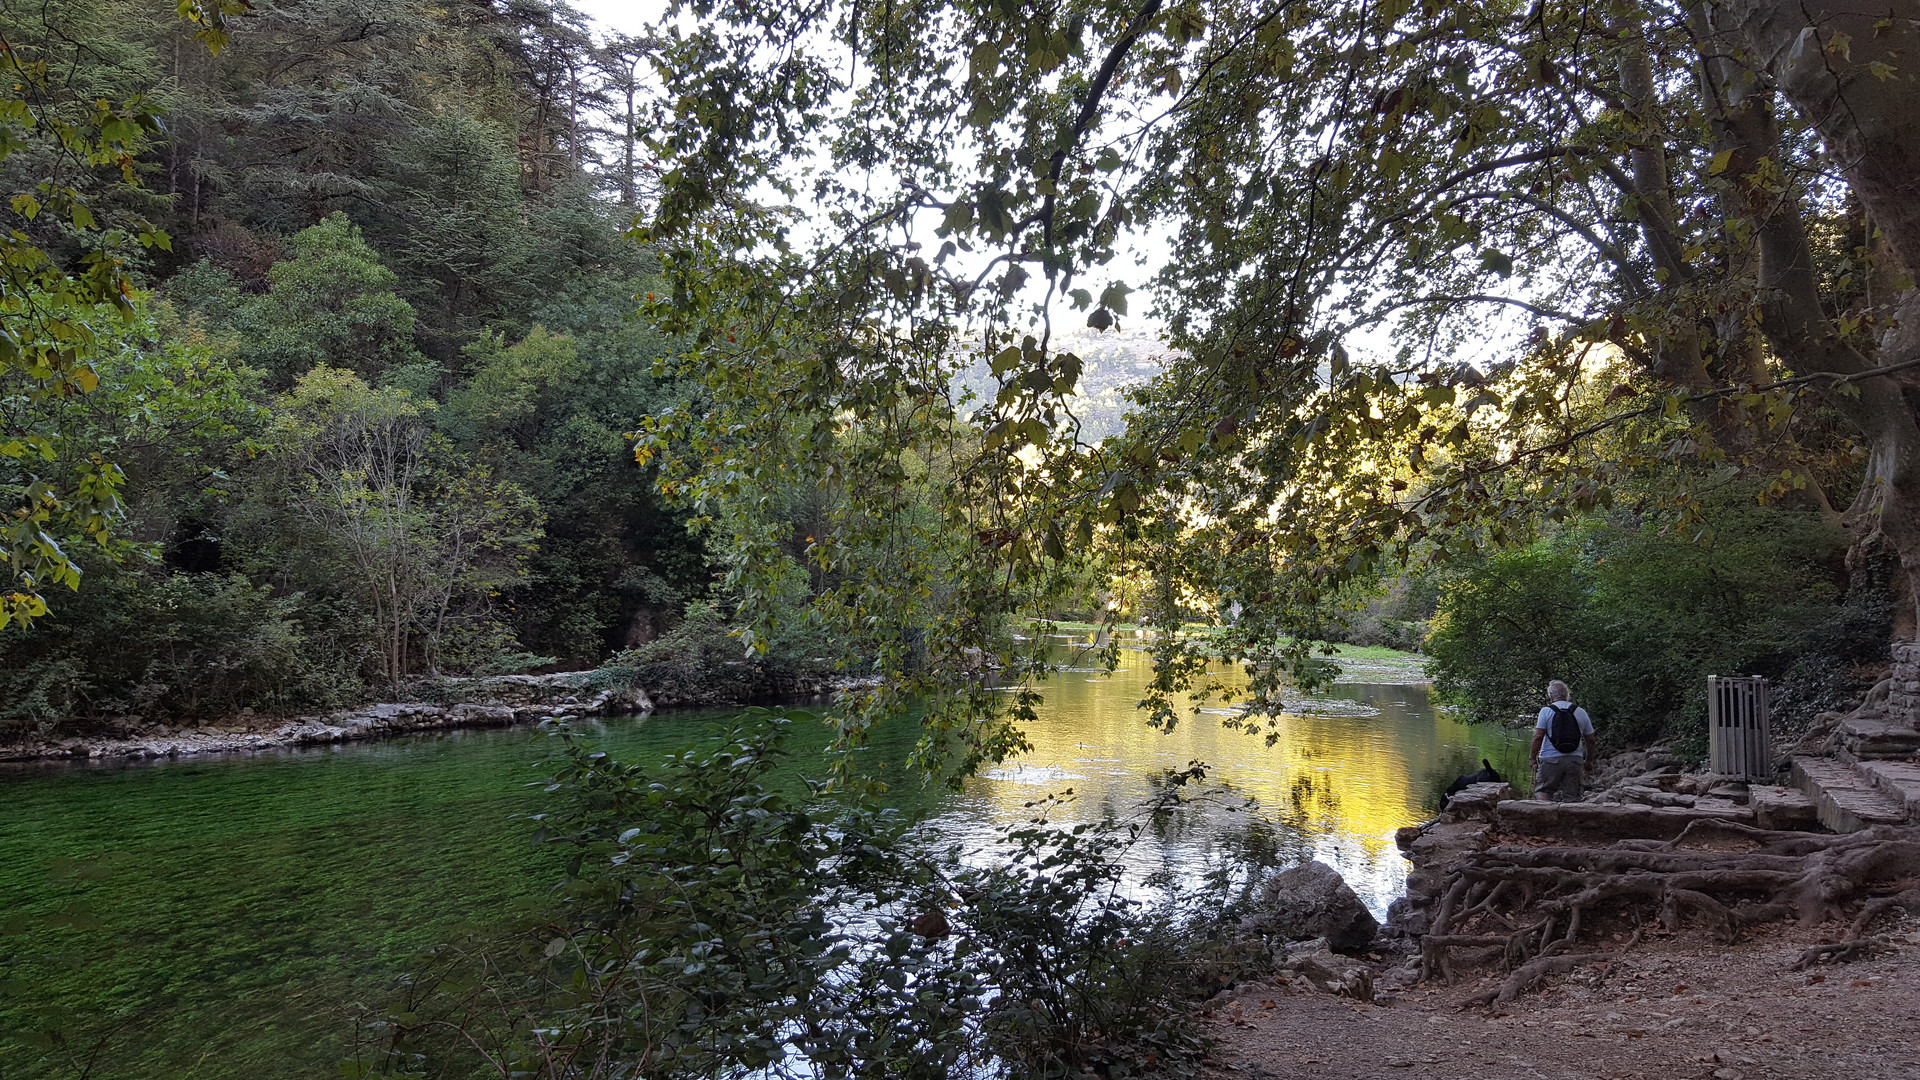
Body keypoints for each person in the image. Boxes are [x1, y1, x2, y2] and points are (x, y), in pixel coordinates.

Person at [1530, 680, 1596, 802]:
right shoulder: (1580, 711)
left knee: (1543, 791)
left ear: (1551, 696)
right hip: (1575, 760)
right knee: (1573, 796)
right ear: (1567, 695)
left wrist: (1532, 758)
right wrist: (1589, 760)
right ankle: (1571, 820)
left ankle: (1545, 818)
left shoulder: (1546, 711)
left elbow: (1538, 737)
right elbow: (1590, 740)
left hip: (1550, 759)